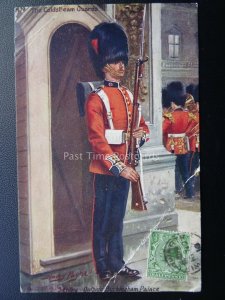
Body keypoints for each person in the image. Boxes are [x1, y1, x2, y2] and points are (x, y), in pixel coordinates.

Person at [85, 22, 150, 281]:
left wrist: (140, 136)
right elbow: (97, 141)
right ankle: (102, 265)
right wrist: (120, 168)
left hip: (128, 168)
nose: (122, 66)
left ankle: (117, 262)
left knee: (117, 219)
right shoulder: (96, 98)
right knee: (102, 221)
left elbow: (142, 127)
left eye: (123, 60)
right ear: (104, 64)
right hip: (107, 169)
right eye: (116, 60)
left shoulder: (129, 95)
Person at [163, 81, 194, 200]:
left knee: (174, 170)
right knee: (185, 171)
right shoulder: (188, 115)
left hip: (172, 146)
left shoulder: (170, 116)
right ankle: (189, 192)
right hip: (184, 146)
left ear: (173, 102)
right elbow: (191, 131)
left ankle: (175, 191)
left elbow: (162, 129)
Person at [185, 91, 200, 197]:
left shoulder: (194, 116)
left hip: (195, 145)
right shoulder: (193, 115)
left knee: (192, 167)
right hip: (195, 145)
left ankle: (192, 189)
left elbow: (188, 131)